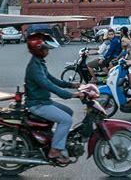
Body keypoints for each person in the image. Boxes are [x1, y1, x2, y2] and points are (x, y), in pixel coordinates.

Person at [25, 33, 83, 164]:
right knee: (66, 120)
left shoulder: (39, 63)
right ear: (38, 49)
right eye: (45, 49)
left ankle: (54, 138)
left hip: (43, 101)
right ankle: (54, 150)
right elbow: (48, 85)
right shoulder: (34, 67)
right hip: (38, 104)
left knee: (68, 112)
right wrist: (71, 95)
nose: (47, 52)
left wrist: (71, 85)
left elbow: (52, 79)